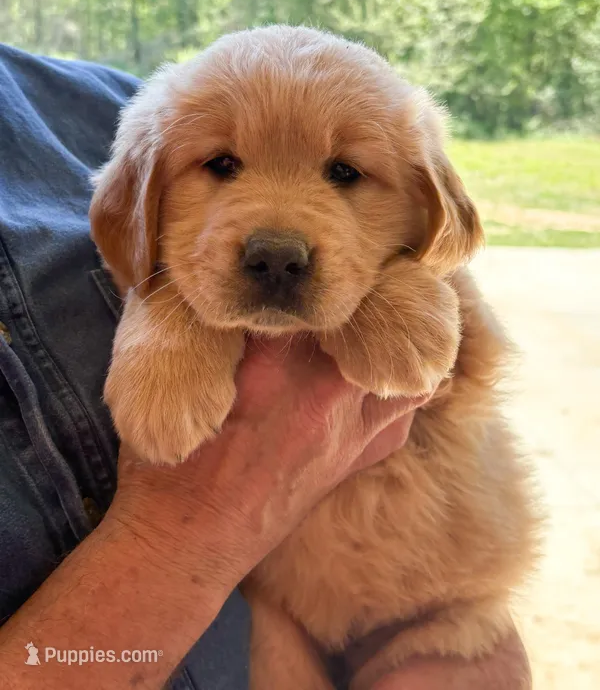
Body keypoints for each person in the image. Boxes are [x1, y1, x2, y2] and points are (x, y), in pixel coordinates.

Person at [0, 43, 530, 689]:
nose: (278, 245)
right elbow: (138, 255)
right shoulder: (155, 122)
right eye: (222, 164)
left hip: (443, 610)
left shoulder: (89, 98)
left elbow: (453, 336)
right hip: (269, 620)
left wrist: (404, 288)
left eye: (344, 172)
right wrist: (166, 311)